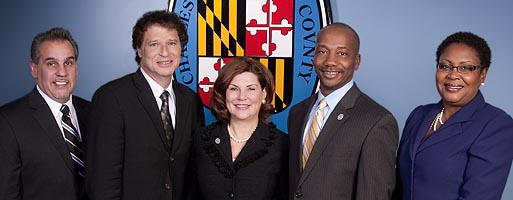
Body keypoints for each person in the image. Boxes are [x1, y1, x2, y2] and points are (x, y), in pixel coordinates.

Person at [85, 10, 205, 199]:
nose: (165, 52)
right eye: (154, 44)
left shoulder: (191, 100)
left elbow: (192, 174)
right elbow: (102, 181)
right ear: (139, 50)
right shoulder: (111, 98)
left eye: (172, 43)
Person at [288, 22, 399, 200]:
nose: (330, 61)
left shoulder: (377, 121)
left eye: (342, 53)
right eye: (322, 51)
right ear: (314, 57)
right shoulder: (297, 112)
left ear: (356, 61)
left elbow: (373, 194)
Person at [396, 32, 513, 200]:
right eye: (445, 66)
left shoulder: (496, 125)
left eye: (466, 68)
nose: (453, 75)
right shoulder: (419, 115)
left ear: (483, 75)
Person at [0, 27, 90, 200]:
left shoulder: (94, 112)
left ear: (76, 68)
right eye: (51, 63)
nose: (62, 72)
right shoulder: (8, 121)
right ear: (34, 69)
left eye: (68, 63)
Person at [188, 57, 289, 200]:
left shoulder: (281, 144)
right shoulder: (202, 138)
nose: (242, 97)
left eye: (251, 89)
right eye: (234, 89)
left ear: (264, 94)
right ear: (224, 94)